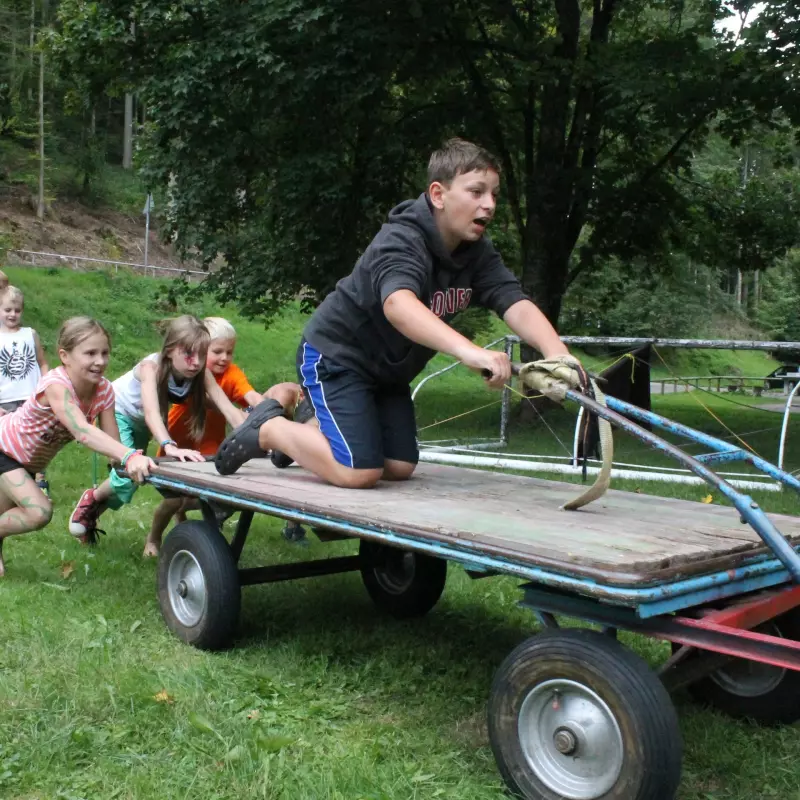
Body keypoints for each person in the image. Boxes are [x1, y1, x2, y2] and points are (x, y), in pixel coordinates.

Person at [215, 137, 582, 488]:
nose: (489, 204)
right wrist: (468, 351)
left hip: (388, 372)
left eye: (494, 195)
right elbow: (398, 305)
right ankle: (270, 429)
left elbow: (514, 301)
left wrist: (557, 355)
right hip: (338, 356)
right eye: (476, 192)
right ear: (438, 194)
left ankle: (307, 435)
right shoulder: (403, 238)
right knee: (357, 471)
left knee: (399, 466)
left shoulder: (477, 253)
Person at [68, 315, 247, 554]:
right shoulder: (150, 368)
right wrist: (169, 445)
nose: (196, 362)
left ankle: (90, 516)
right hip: (118, 413)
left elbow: (226, 407)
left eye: (202, 355)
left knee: (134, 479)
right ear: (170, 350)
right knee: (127, 474)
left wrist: (249, 439)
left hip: (141, 425)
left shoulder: (200, 372)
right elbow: (152, 412)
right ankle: (92, 498)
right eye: (188, 354)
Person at [0, 316, 154, 576]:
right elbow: (82, 430)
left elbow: (113, 444)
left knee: (5, 515)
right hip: (5, 449)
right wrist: (129, 456)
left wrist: (133, 465)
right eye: (90, 353)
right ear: (65, 356)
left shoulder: (104, 390)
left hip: (27, 461)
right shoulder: (56, 385)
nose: (100, 361)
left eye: (105, 352)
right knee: (39, 511)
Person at [144, 316, 304, 555]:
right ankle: (154, 538)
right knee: (175, 500)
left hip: (210, 446)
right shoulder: (193, 374)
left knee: (217, 494)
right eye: (217, 351)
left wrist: (270, 430)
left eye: (229, 352)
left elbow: (250, 399)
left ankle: (202, 538)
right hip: (181, 442)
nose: (224, 358)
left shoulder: (231, 373)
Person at [0, 285, 51, 495]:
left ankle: (39, 481)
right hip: (5, 400)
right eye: (7, 309)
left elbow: (43, 363)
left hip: (31, 398)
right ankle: (10, 482)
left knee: (36, 441)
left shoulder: (30, 334)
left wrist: (46, 386)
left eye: (17, 310)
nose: (13, 314)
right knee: (5, 443)